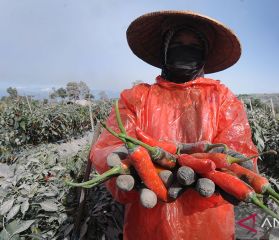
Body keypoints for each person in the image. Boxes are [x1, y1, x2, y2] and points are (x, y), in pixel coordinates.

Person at [90, 10, 259, 240]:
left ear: (204, 54)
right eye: (178, 43)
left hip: (209, 226)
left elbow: (237, 154)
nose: (185, 49)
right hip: (149, 225)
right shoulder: (136, 99)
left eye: (194, 45)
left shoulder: (223, 100)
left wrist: (230, 173)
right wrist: (130, 165)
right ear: (165, 50)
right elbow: (113, 145)